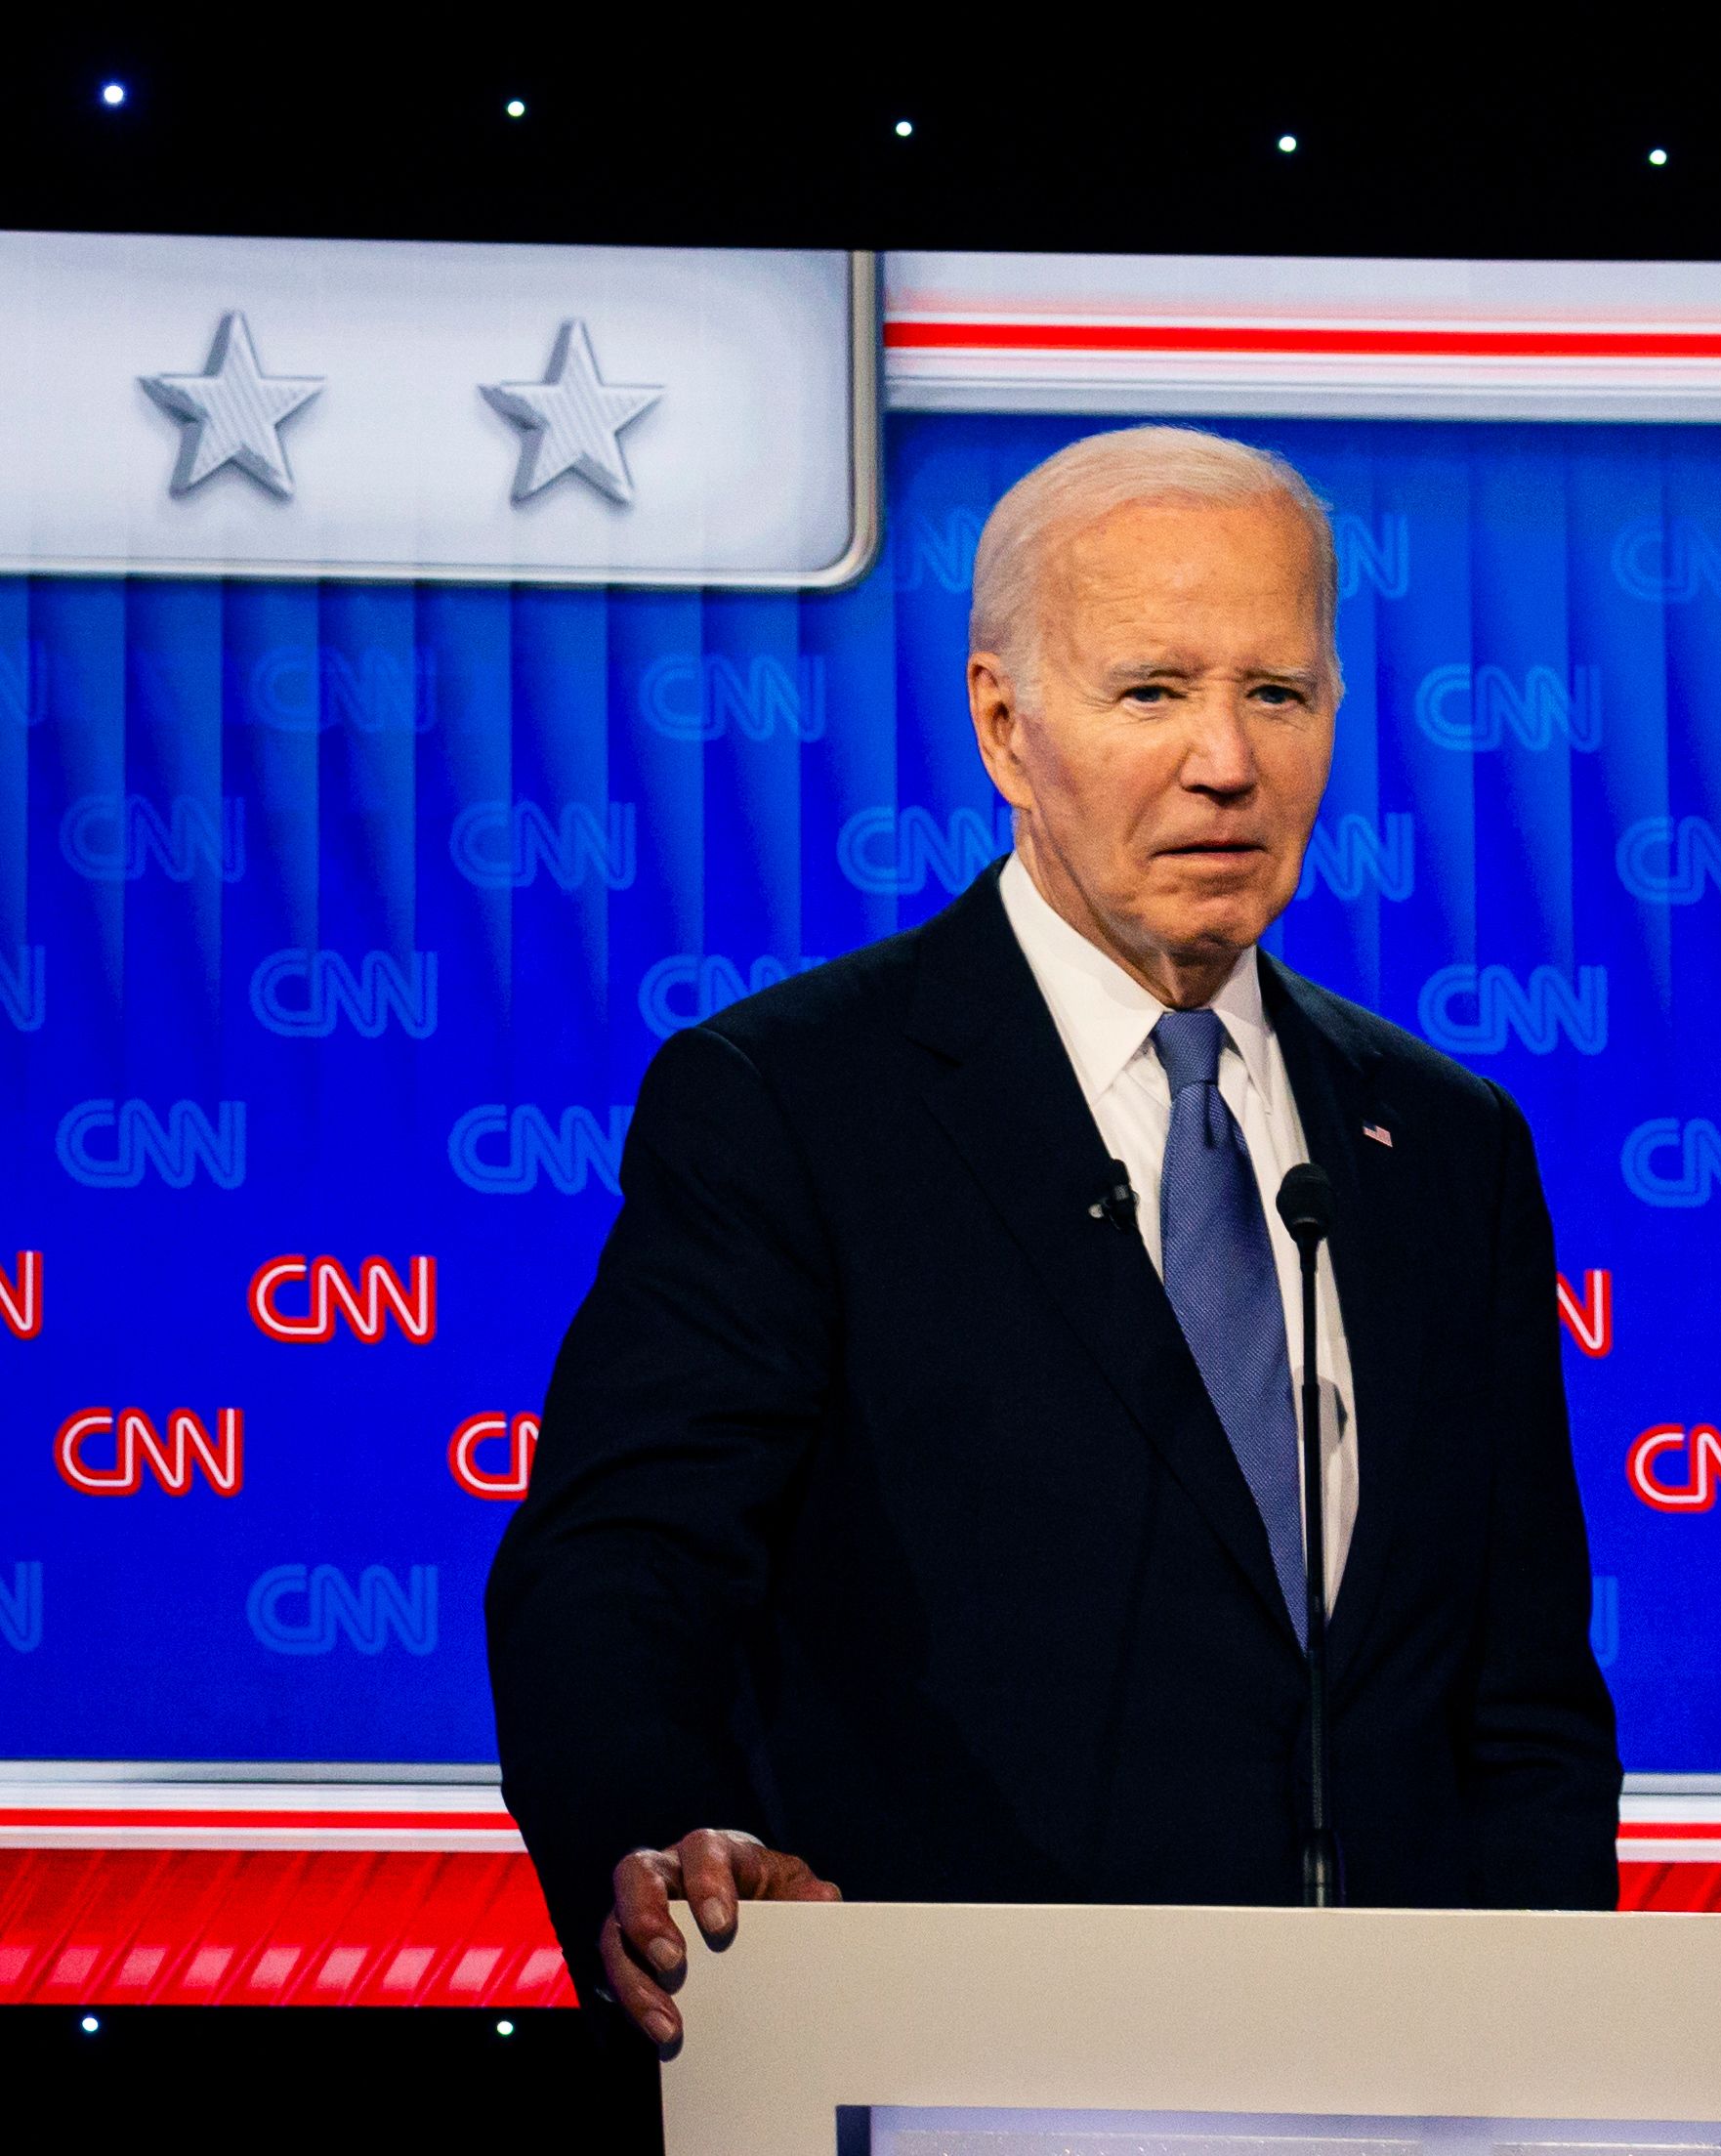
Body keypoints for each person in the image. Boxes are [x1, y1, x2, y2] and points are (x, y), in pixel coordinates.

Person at [485, 425, 1619, 2047]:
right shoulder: (794, 1102)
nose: (1225, 761)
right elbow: (621, 1567)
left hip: (1398, 2084)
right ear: (1005, 725)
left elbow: (1524, 1702)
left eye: (1277, 693)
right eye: (1151, 691)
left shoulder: (1442, 1140)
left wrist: (1554, 2052)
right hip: (946, 2065)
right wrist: (664, 1834)